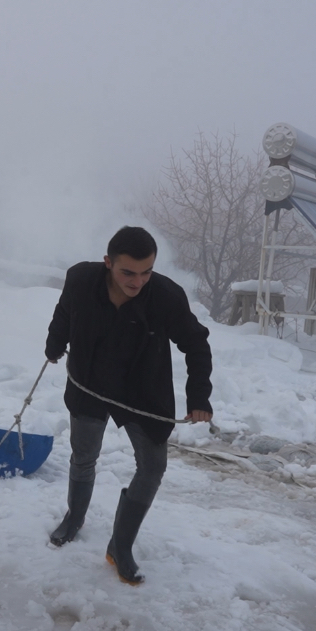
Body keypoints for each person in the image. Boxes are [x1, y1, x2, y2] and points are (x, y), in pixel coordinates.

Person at [44, 226, 213, 585]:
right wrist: (55, 344)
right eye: (128, 273)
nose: (138, 282)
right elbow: (64, 313)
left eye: (146, 272)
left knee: (152, 468)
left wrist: (199, 396)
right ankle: (74, 518)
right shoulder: (80, 280)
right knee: (84, 455)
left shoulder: (166, 297)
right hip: (89, 384)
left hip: (143, 393)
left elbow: (197, 344)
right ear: (108, 263)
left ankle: (120, 546)